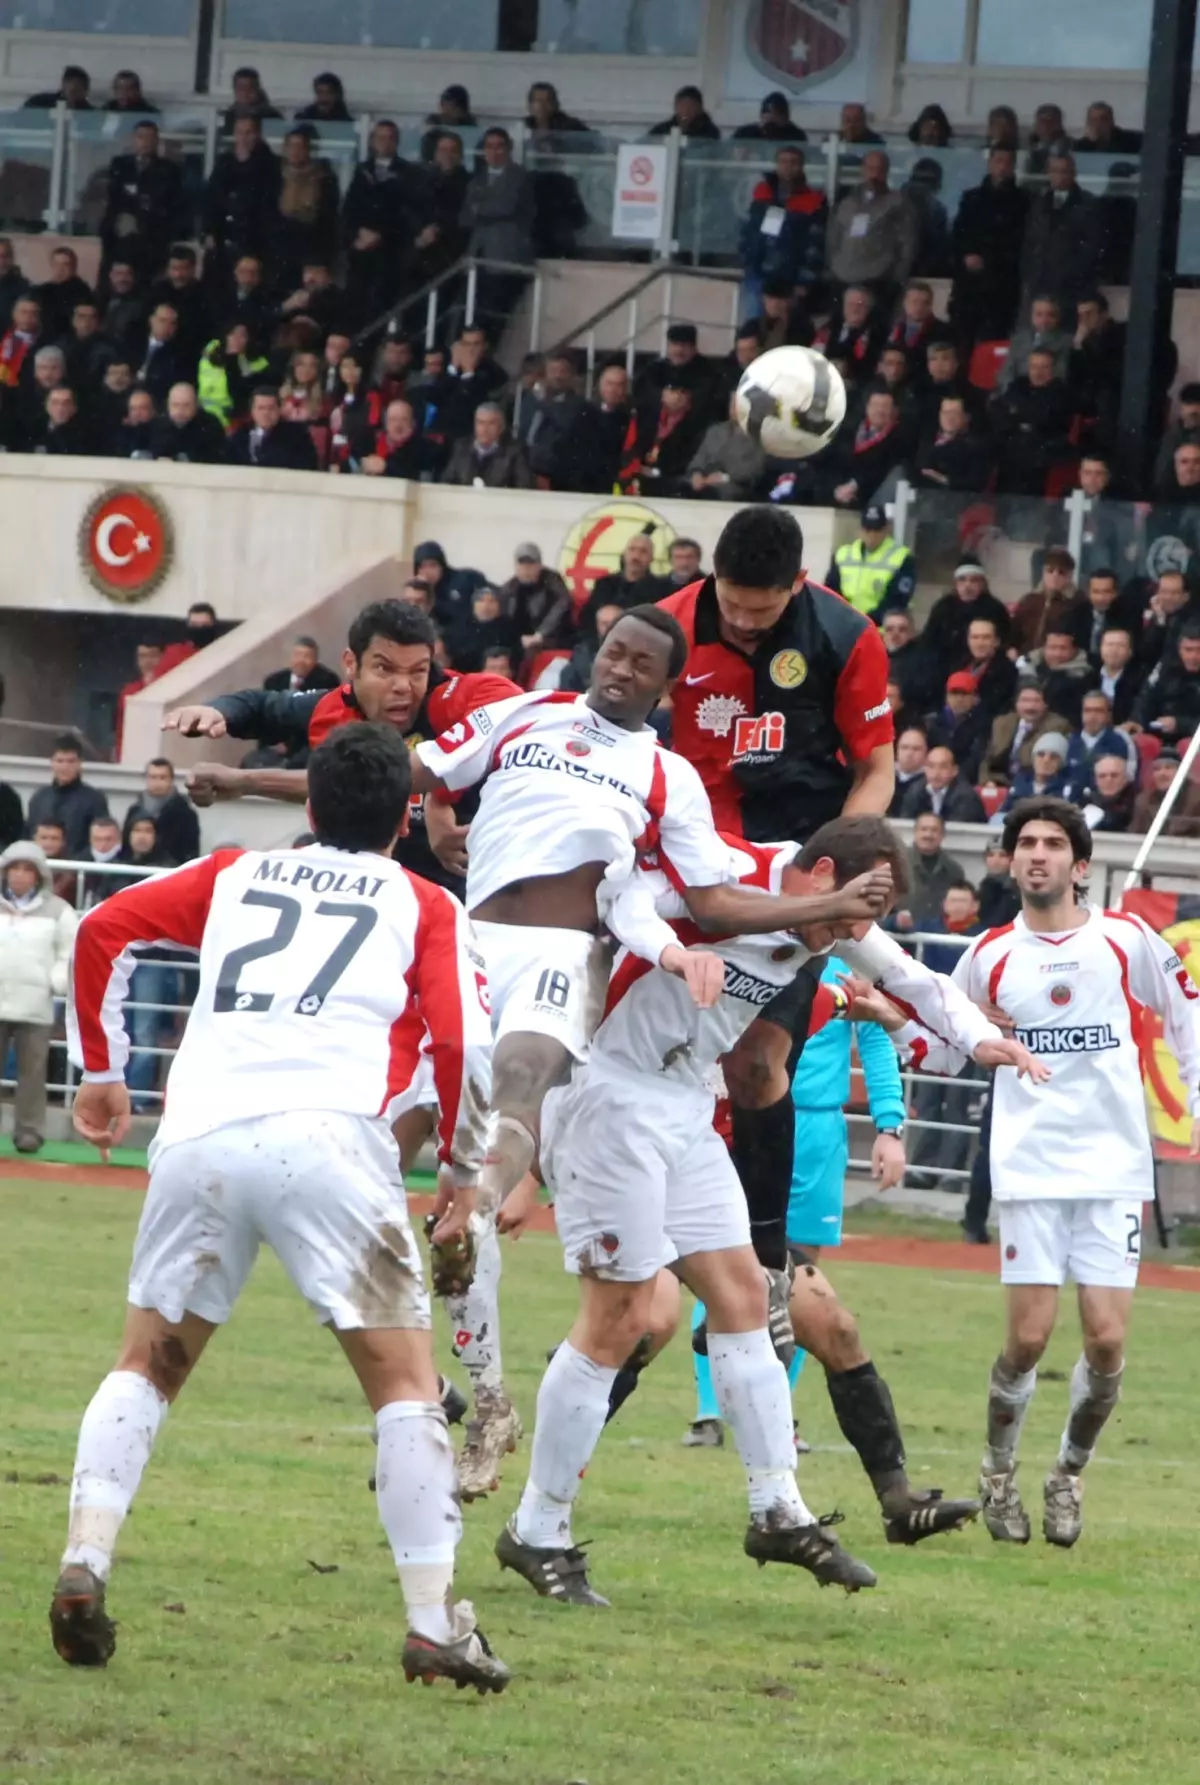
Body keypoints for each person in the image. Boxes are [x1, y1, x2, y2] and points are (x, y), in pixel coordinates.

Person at [52, 725, 509, 1692]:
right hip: (332, 1142)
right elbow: (466, 1043)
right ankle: (433, 1624)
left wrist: (102, 1069)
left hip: (201, 1135)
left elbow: (102, 929)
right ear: (402, 822)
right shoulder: (424, 899)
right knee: (405, 1388)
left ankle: (86, 1557)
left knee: (146, 1363)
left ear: (308, 809)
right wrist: (465, 1173)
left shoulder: (233, 871)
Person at [501, 817, 1005, 1600]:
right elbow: (629, 895)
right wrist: (671, 951)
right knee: (623, 1315)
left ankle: (778, 1507)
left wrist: (979, 1042)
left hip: (682, 1098)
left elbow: (914, 979)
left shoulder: (829, 920)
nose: (849, 933)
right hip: (609, 1091)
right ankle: (536, 1528)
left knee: (744, 1296)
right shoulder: (728, 869)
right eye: (849, 909)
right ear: (823, 870)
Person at [880, 799, 1200, 1548]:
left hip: (1114, 1167)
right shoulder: (989, 953)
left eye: (1054, 843)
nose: (1038, 854)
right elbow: (949, 1042)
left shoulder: (1126, 939)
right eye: (1026, 842)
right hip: (1029, 1168)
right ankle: (998, 1472)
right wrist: (886, 1020)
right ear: (1010, 859)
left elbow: (1188, 1013)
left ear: (1080, 866)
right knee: (1028, 1339)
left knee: (1108, 1340)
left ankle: (1067, 1474)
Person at [660, 504, 894, 1283]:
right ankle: (651, 1225)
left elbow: (876, 768)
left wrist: (834, 872)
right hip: (686, 869)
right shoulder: (663, 628)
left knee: (758, 1061)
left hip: (791, 877)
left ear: (798, 585)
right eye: (731, 605)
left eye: (762, 612)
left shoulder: (846, 637)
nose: (745, 623)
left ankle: (768, 1262)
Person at [164, 601, 517, 894]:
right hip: (369, 890)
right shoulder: (332, 708)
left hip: (470, 894)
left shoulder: (458, 695)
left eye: (417, 671)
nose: (403, 687)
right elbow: (263, 707)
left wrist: (443, 794)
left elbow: (520, 713)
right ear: (351, 664)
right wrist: (217, 710)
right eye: (385, 669)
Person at [0, 840, 78, 1153]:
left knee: (32, 1073)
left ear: (39, 875)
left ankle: (29, 1132)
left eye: (26, 869)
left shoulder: (59, 910)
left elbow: (69, 951)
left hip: (35, 1003)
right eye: (13, 869)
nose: (19, 875)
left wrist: (55, 981)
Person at [949, 148, 1028, 343]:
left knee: (995, 341)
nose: (1002, 167)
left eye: (1008, 162)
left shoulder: (1024, 200)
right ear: (990, 164)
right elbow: (958, 234)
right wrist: (966, 255)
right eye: (998, 161)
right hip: (969, 285)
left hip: (1003, 285)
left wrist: (992, 260)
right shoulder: (971, 198)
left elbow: (1020, 241)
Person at [740, 146, 827, 319]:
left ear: (801, 166)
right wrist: (746, 260)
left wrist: (804, 281)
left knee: (783, 330)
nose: (788, 167)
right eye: (783, 162)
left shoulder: (814, 200)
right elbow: (749, 230)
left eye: (793, 163)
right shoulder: (762, 192)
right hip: (757, 275)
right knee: (752, 329)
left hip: (789, 279)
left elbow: (815, 245)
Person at [461, 129, 535, 323]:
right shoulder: (477, 179)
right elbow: (466, 217)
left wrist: (480, 207)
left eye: (499, 146)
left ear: (509, 149)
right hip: (480, 255)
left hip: (507, 257)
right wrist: (481, 209)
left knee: (498, 314)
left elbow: (505, 206)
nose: (495, 152)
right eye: (489, 147)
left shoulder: (519, 176)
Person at [1019, 153, 1103, 321]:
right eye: (1055, 171)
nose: (1059, 176)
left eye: (1064, 171)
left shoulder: (1089, 205)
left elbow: (1092, 247)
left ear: (1073, 173)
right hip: (1039, 286)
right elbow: (1029, 242)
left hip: (1071, 288)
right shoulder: (1039, 203)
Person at [826, 151, 916, 298]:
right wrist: (832, 268)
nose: (874, 175)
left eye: (879, 170)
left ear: (887, 172)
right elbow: (833, 236)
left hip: (877, 280)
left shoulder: (898, 203)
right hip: (842, 277)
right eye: (871, 169)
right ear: (863, 170)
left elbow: (907, 244)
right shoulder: (846, 201)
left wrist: (897, 278)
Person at [921, 564, 1012, 688]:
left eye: (973, 580)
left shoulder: (995, 609)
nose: (967, 585)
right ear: (955, 583)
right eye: (962, 579)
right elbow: (928, 641)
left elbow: (1005, 641)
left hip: (983, 673)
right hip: (942, 669)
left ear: (982, 583)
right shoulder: (942, 607)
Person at [825, 503, 915, 620]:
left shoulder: (902, 558)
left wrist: (866, 622)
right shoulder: (843, 555)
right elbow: (830, 592)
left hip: (881, 631)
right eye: (868, 530)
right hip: (846, 626)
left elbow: (897, 601)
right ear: (860, 530)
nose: (872, 536)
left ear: (886, 530)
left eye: (877, 530)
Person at [27, 736, 109, 858]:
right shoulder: (39, 797)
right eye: (60, 761)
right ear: (52, 763)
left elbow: (100, 840)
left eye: (70, 761)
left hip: (77, 868)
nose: (65, 767)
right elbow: (29, 834)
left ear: (80, 763)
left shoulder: (94, 799)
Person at [579, 531, 669, 636]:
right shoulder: (604, 584)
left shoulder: (662, 589)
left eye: (643, 551)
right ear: (624, 554)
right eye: (632, 549)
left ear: (651, 558)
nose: (636, 556)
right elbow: (587, 620)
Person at [983, 682, 1072, 787]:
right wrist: (987, 780)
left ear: (1045, 705)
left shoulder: (1057, 726)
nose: (1030, 706)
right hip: (1000, 782)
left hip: (1032, 783)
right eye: (1025, 700)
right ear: (1016, 704)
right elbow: (987, 758)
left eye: (1036, 701)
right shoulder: (1002, 722)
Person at [498, 543, 574, 662]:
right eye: (522, 565)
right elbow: (504, 618)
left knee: (529, 651)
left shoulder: (552, 581)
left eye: (531, 565)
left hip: (551, 637)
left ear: (539, 566)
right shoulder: (509, 588)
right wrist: (517, 638)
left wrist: (540, 635)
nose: (526, 569)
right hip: (520, 638)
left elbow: (561, 606)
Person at [894, 812, 964, 930]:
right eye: (924, 829)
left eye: (934, 830)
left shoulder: (954, 870)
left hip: (937, 940)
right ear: (915, 832)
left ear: (942, 835)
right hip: (899, 937)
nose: (928, 834)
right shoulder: (896, 864)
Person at [442, 403, 533, 490]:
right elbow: (446, 483)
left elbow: (524, 488)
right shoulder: (462, 446)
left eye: (491, 423)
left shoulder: (515, 451)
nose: (485, 429)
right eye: (480, 423)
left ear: (501, 428)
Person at [128, 759, 201, 866]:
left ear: (171, 780)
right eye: (153, 777)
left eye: (162, 777)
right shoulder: (134, 811)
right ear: (146, 779)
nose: (157, 782)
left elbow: (191, 853)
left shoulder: (186, 814)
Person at [227, 387, 319, 472]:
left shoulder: (297, 435)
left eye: (271, 408)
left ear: (279, 410)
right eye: (261, 408)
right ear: (252, 411)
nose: (266, 413)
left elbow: (307, 466)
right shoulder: (240, 436)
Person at [1134, 624, 1200, 740]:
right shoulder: (1166, 668)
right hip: (1161, 738)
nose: (1194, 656)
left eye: (1199, 650)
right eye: (1188, 650)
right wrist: (1136, 721)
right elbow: (1146, 697)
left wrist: (1180, 725)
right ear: (1179, 649)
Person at [901, 742, 986, 824]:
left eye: (943, 767)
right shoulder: (915, 791)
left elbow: (957, 830)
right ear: (925, 769)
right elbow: (906, 823)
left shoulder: (966, 797)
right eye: (931, 766)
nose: (936, 773)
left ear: (954, 771)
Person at [1066, 690, 1137, 788]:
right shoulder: (1070, 740)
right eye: (1087, 710)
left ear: (1108, 715)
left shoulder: (1120, 739)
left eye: (1098, 711)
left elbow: (1130, 776)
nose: (1092, 716)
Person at [1027, 627, 1092, 731]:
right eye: (1052, 648)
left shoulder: (1084, 678)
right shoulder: (1029, 667)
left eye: (1063, 648)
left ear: (1074, 650)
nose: (1057, 654)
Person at [996, 733, 1073, 818]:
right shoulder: (1019, 783)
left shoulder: (1065, 789)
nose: (1046, 760)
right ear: (1033, 759)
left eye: (1053, 757)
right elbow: (1002, 814)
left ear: (1061, 764)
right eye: (1041, 754)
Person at [1131, 748, 1200, 837]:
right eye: (1157, 769)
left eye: (1168, 768)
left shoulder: (1197, 798)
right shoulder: (1143, 801)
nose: (1162, 773)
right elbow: (1134, 835)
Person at [1086, 627, 1144, 727]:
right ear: (1100, 648)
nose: (1114, 650)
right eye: (1109, 645)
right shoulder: (1088, 679)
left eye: (1121, 646)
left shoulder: (1140, 680)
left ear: (1130, 652)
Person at [264, 637, 340, 696]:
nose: (301, 660)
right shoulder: (273, 681)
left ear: (315, 660)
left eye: (307, 656)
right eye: (297, 655)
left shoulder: (327, 681)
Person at [649, 85, 720, 139]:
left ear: (700, 108)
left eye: (691, 106)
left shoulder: (710, 132)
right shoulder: (662, 130)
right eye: (681, 105)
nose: (686, 110)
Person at [733, 91, 806, 143]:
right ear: (761, 116)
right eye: (767, 113)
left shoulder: (796, 135)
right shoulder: (744, 134)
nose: (772, 117)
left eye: (778, 114)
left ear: (786, 117)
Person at [890, 726, 928, 815]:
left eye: (916, 749)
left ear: (926, 752)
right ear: (896, 750)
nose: (909, 753)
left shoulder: (931, 780)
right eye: (904, 747)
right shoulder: (884, 777)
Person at [24, 64, 92, 110]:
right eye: (69, 81)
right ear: (62, 85)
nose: (73, 86)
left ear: (85, 91)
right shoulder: (39, 103)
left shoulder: (91, 114)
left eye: (79, 84)